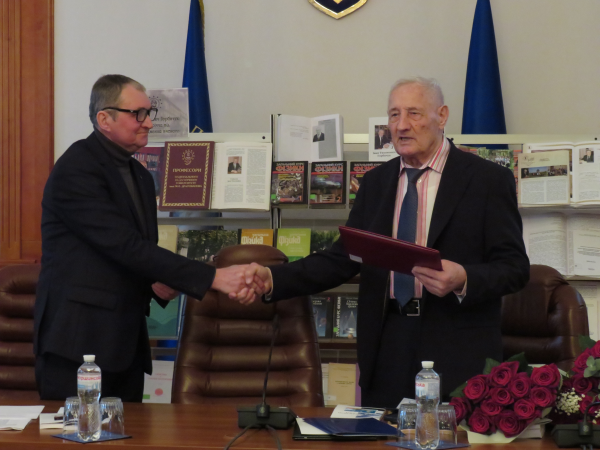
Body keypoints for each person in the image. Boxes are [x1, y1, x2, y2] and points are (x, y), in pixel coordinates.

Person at [239, 77, 529, 408]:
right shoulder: (375, 183)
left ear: (442, 116)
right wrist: (272, 278)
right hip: (386, 346)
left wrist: (463, 278)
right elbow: (341, 259)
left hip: (458, 349)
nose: (401, 126)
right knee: (382, 435)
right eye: (394, 115)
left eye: (413, 113)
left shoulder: (487, 180)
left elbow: (515, 268)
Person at [34, 74, 259, 402]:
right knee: (78, 432)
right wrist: (214, 278)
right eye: (137, 114)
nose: (149, 123)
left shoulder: (139, 174)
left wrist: (155, 281)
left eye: (148, 113)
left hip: (125, 345)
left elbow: (134, 250)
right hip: (79, 345)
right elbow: (123, 245)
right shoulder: (77, 168)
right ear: (105, 119)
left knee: (127, 431)